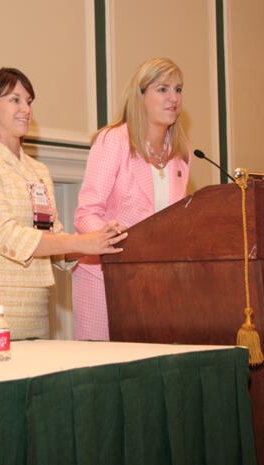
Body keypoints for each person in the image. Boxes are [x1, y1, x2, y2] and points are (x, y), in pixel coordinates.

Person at [0, 67, 127, 340]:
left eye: (29, 101)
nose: (26, 109)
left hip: (35, 312)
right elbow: (6, 235)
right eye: (15, 100)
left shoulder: (38, 171)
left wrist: (102, 242)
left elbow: (53, 239)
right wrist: (83, 242)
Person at [72, 57, 191, 340]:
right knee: (102, 376)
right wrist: (122, 244)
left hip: (156, 284)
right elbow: (86, 215)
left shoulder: (181, 155)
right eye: (163, 89)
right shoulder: (114, 140)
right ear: (140, 95)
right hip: (104, 280)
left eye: (178, 89)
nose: (173, 98)